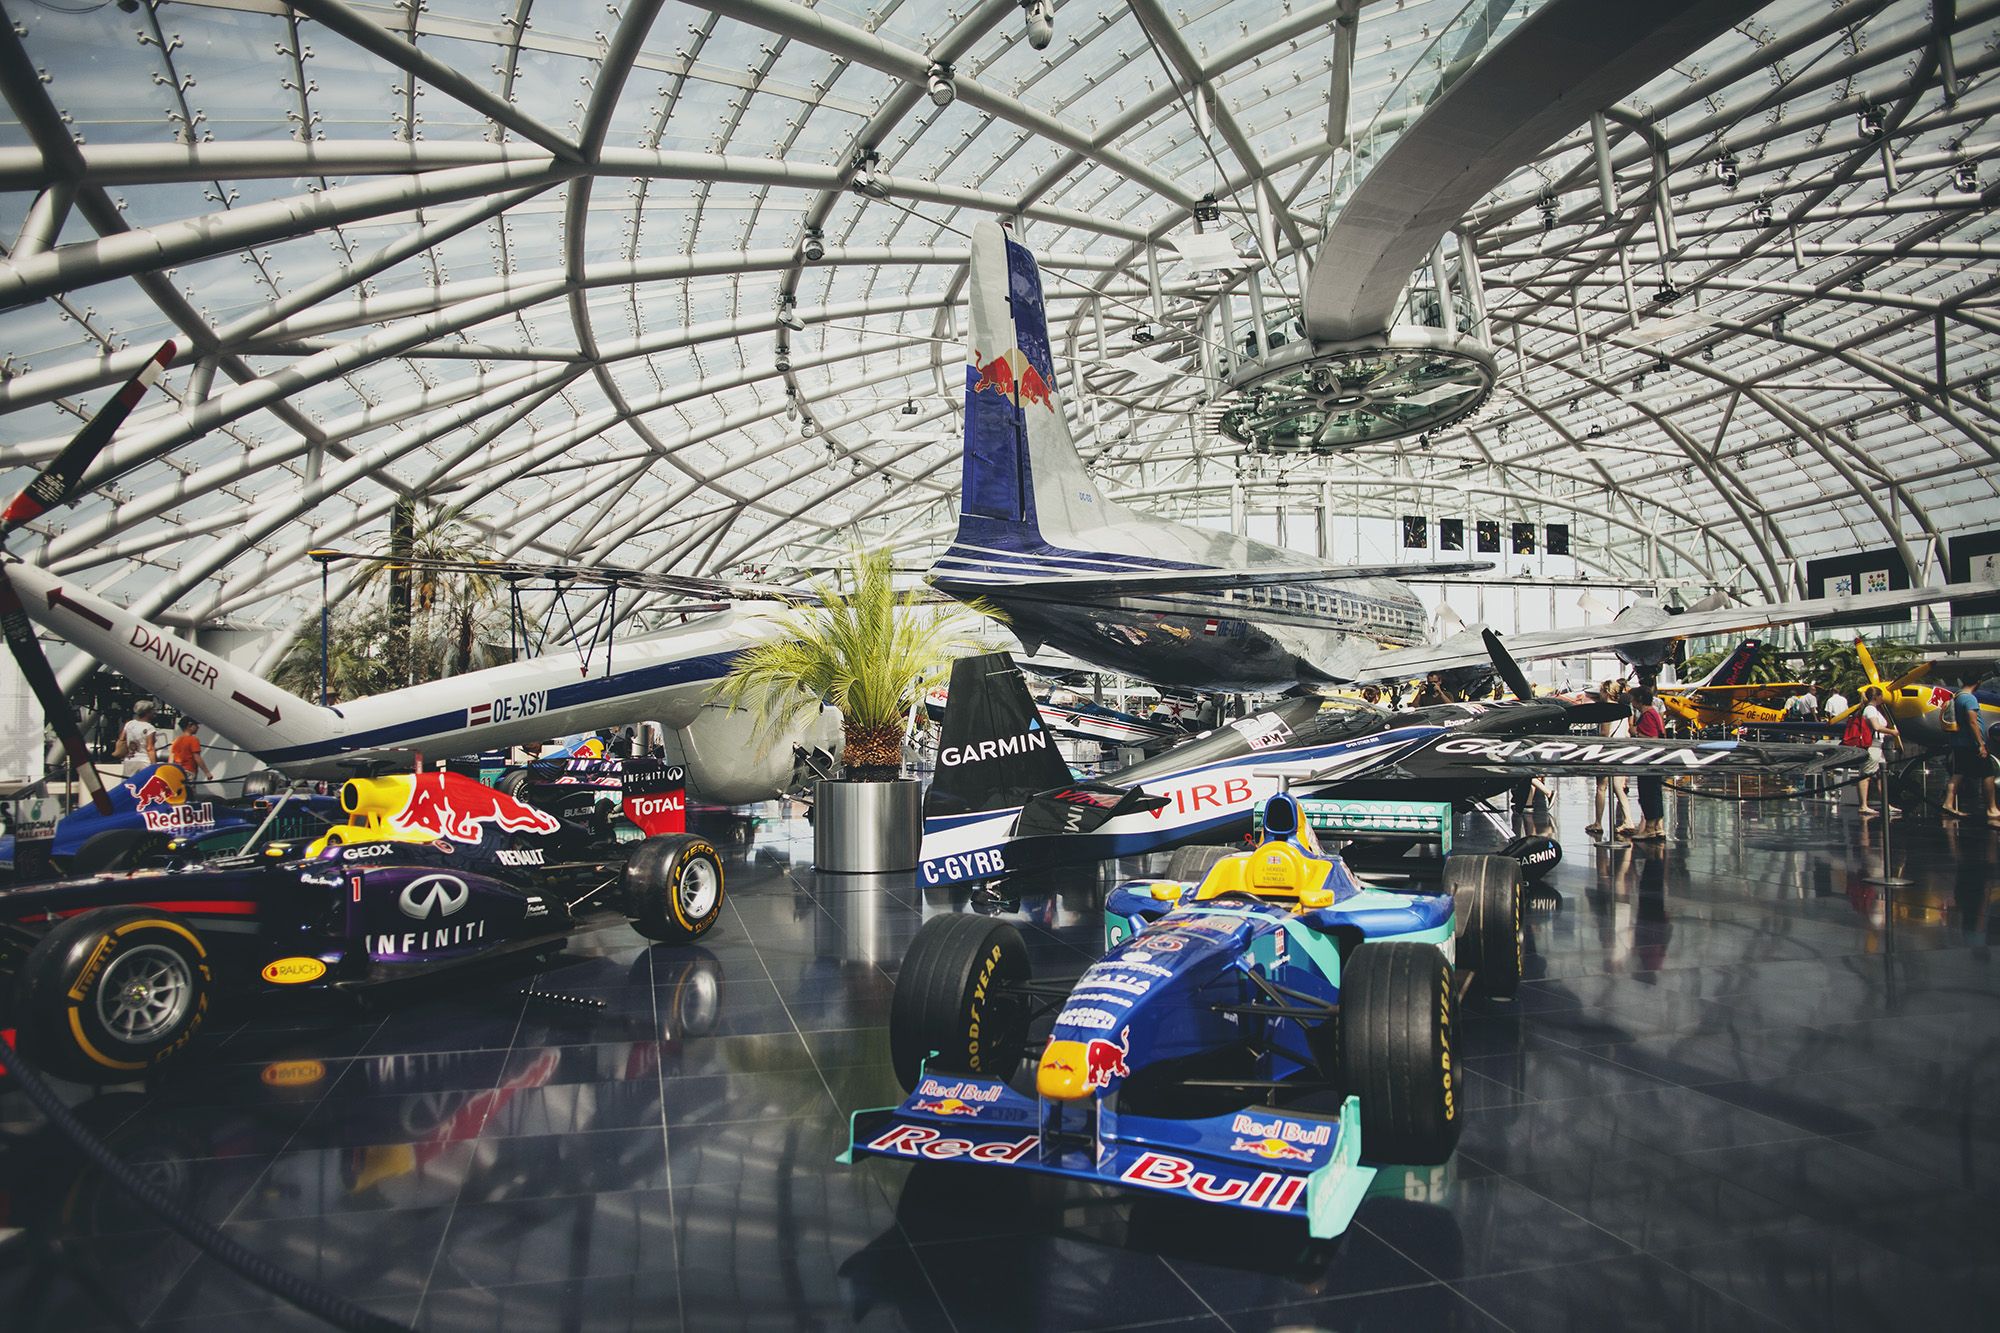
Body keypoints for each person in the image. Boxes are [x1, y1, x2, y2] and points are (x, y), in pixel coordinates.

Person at [1943, 680, 1999, 823]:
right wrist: (1980, 743)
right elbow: (1972, 721)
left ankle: (1948, 804)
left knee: (1958, 773)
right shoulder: (1969, 698)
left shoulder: (1956, 696)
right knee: (1988, 773)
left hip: (1958, 742)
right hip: (1971, 743)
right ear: (1978, 682)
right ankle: (1992, 808)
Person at [1588, 679, 1635, 838]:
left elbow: (1604, 734)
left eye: (1601, 691)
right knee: (1618, 787)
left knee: (1601, 787)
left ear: (1606, 692)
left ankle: (1598, 822)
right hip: (1621, 751)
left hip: (1607, 752)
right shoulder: (1623, 709)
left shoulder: (1606, 710)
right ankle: (1628, 819)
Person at [1851, 686, 1898, 818]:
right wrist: (1892, 732)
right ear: (1876, 697)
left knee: (1881, 776)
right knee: (1866, 775)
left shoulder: (1873, 709)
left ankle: (1885, 803)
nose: (1883, 698)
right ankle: (1863, 805)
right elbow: (1877, 727)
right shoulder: (1870, 709)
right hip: (1872, 747)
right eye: (1882, 695)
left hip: (1878, 747)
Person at [1628, 686, 1667, 841]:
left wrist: (1635, 733)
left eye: (1633, 699)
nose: (1631, 702)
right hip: (1655, 761)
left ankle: (1650, 827)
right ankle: (1657, 827)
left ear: (1640, 700)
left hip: (1648, 762)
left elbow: (1651, 738)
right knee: (1655, 794)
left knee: (1648, 794)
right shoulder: (1654, 713)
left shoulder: (1648, 714)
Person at [115, 700, 160, 776]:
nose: (154, 712)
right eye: (152, 710)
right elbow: (150, 748)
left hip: (130, 759)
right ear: (147, 712)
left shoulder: (129, 724)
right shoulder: (149, 728)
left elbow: (122, 739)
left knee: (129, 784)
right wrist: (154, 765)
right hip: (144, 760)